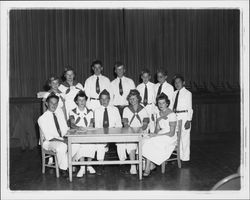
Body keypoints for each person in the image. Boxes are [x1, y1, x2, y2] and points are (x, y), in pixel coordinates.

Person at [37, 94, 80, 176]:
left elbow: (65, 129)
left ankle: (65, 165)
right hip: (48, 142)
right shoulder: (42, 118)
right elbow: (49, 137)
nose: (54, 105)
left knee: (76, 143)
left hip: (61, 139)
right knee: (62, 146)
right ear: (46, 103)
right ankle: (64, 169)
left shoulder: (59, 114)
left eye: (56, 103)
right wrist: (64, 141)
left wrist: (72, 133)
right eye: (51, 103)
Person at [142, 93, 177, 177]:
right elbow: (157, 129)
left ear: (167, 103)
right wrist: (153, 134)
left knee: (150, 143)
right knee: (145, 139)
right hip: (161, 134)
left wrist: (156, 136)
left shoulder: (172, 114)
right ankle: (151, 165)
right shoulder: (158, 113)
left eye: (163, 103)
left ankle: (147, 168)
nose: (161, 105)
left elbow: (171, 133)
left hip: (169, 137)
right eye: (159, 103)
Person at [120, 89, 149, 174]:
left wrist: (140, 130)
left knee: (145, 142)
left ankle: (143, 162)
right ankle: (133, 165)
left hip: (141, 131)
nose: (132, 100)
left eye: (134, 98)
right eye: (130, 99)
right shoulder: (126, 109)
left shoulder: (143, 109)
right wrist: (132, 132)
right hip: (130, 131)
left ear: (138, 99)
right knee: (130, 143)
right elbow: (125, 124)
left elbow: (145, 124)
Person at [69, 91, 96, 177]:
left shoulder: (91, 112)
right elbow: (72, 124)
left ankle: (88, 164)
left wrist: (87, 130)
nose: (81, 102)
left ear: (86, 101)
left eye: (83, 100)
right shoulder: (72, 111)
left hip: (87, 132)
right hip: (76, 133)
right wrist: (78, 128)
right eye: (79, 100)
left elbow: (91, 125)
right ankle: (82, 166)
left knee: (91, 144)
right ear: (76, 101)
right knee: (80, 144)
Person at [94, 89, 122, 163]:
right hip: (102, 132)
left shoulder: (115, 109)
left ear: (109, 99)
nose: (104, 101)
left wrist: (113, 132)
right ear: (100, 100)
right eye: (102, 99)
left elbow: (119, 125)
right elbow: (97, 126)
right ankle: (100, 162)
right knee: (100, 143)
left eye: (106, 99)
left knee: (121, 143)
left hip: (114, 132)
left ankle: (123, 162)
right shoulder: (96, 110)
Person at [170, 74, 193, 162]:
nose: (177, 84)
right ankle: (179, 157)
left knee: (185, 137)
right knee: (177, 138)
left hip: (184, 116)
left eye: (179, 82)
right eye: (175, 83)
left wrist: (189, 120)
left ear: (183, 83)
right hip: (175, 116)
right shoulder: (174, 93)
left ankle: (185, 158)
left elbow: (190, 108)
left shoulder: (188, 93)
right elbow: (172, 106)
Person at [136, 69, 157, 133]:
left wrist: (154, 112)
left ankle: (153, 141)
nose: (145, 78)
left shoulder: (154, 86)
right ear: (141, 77)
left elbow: (155, 100)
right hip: (142, 107)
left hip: (150, 107)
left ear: (149, 77)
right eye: (143, 77)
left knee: (152, 126)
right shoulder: (138, 87)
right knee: (143, 125)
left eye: (147, 77)